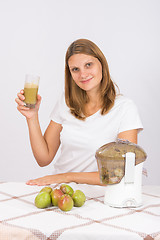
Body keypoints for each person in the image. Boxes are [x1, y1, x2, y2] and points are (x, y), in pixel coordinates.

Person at [15, 39, 143, 186]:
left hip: (96, 196)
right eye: (75, 69)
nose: (83, 74)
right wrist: (32, 117)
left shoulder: (125, 108)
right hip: (60, 191)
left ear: (102, 64)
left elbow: (120, 173)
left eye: (88, 65)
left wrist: (66, 177)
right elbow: (44, 158)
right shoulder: (66, 101)